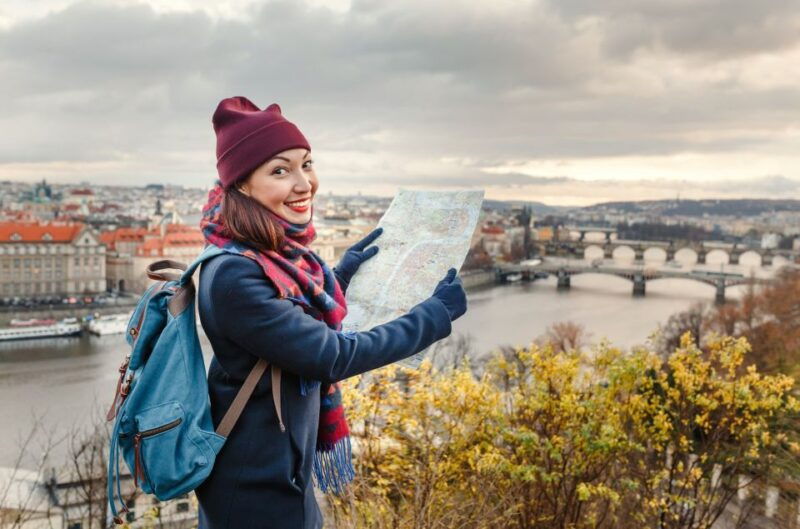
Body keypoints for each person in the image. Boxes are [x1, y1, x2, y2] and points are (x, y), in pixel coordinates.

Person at [194, 96, 468, 529]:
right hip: (252, 491)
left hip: (280, 473)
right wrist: (432, 317)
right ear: (241, 185)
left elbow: (285, 320)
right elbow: (331, 356)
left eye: (306, 163)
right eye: (280, 170)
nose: (305, 183)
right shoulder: (233, 273)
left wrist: (340, 276)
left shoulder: (263, 254)